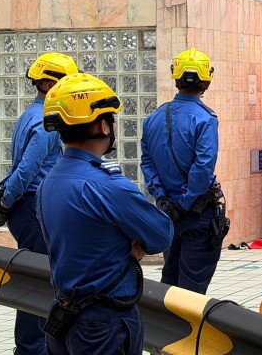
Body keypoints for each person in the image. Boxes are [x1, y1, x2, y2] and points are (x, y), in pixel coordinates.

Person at [37, 73, 173, 355]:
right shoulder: (105, 185)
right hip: (103, 323)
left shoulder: (50, 180)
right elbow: (162, 234)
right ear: (102, 125)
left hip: (64, 314)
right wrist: (133, 247)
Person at [0, 52, 78, 354]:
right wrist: (7, 203)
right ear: (56, 85)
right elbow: (27, 169)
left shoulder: (30, 114)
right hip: (33, 209)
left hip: (27, 208)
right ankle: (30, 348)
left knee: (36, 280)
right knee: (38, 284)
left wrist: (7, 201)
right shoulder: (46, 123)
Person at [140, 48, 226, 294]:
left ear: (175, 78)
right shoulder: (205, 119)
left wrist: (163, 197)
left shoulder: (153, 118)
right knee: (193, 290)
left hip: (168, 213)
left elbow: (146, 162)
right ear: (207, 81)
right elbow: (202, 167)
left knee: (170, 281)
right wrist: (186, 202)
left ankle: (167, 332)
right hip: (196, 214)